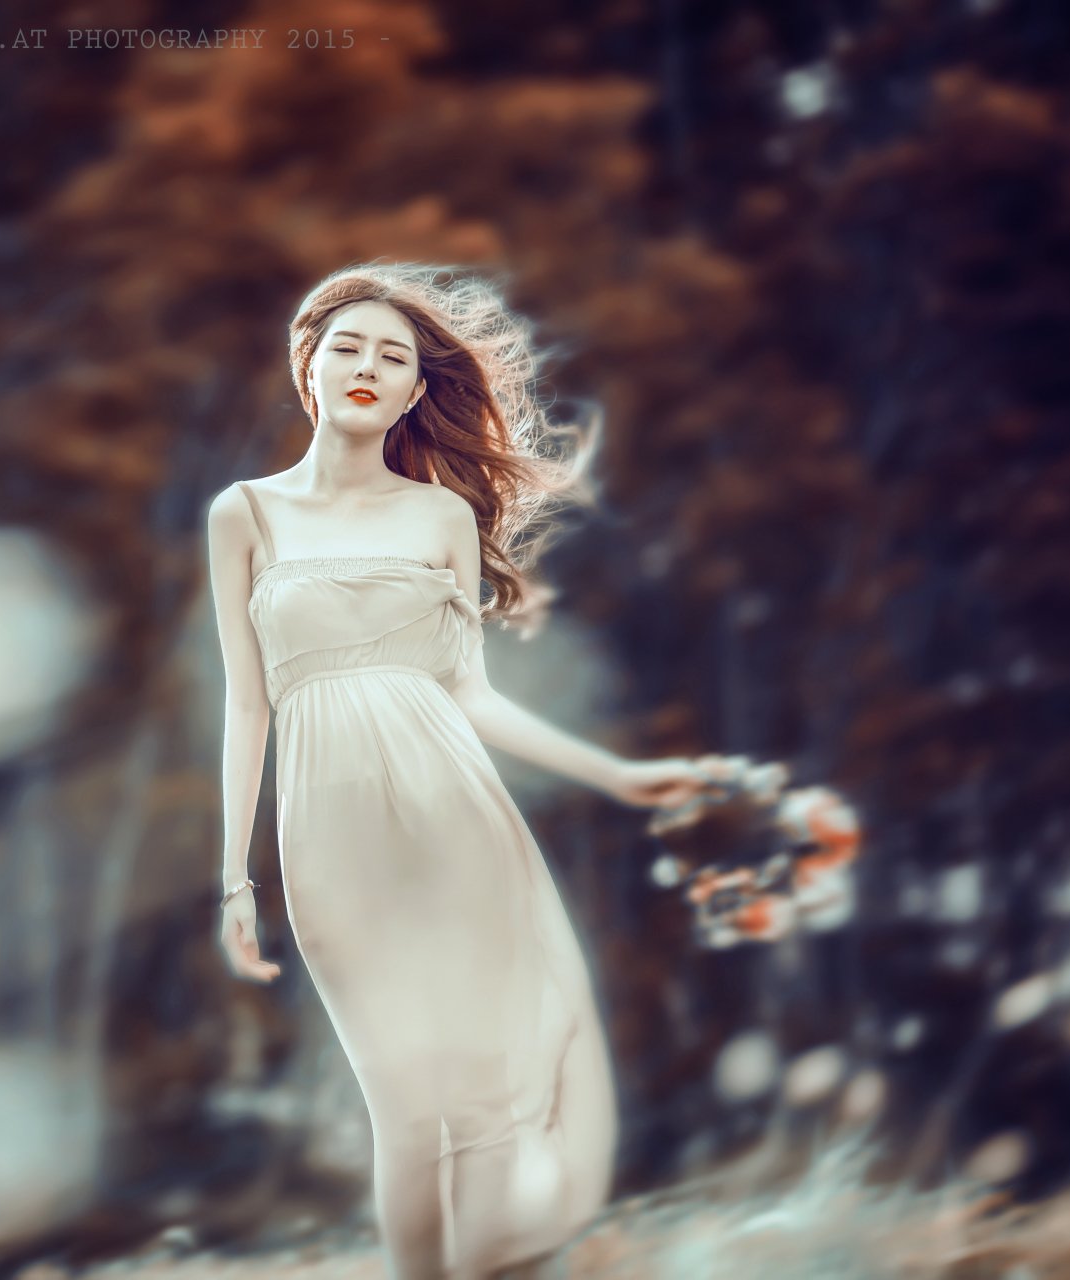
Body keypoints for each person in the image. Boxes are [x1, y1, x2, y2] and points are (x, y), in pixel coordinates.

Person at [204, 263, 709, 1279]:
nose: (366, 366)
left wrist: (617, 774)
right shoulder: (245, 513)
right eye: (346, 346)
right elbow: (247, 703)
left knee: (477, 1102)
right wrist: (234, 879)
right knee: (401, 1100)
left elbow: (470, 695)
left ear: (414, 391)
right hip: (327, 836)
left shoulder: (437, 519)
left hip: (454, 820)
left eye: (393, 357)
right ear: (308, 367)